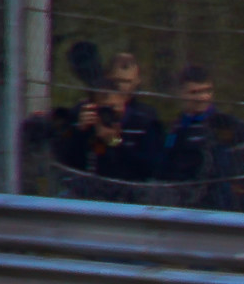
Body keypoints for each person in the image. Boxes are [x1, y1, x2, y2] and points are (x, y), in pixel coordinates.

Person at [47, 51, 165, 198]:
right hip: (85, 193)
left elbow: (149, 169)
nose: (123, 87)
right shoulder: (84, 116)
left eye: (113, 107)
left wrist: (115, 141)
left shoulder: (144, 120)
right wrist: (81, 132)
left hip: (129, 197)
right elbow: (67, 164)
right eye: (104, 108)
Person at [161, 65, 244, 211]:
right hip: (180, 207)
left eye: (207, 91)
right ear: (180, 93)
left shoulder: (229, 126)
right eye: (194, 92)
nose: (202, 98)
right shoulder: (173, 129)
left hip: (222, 208)